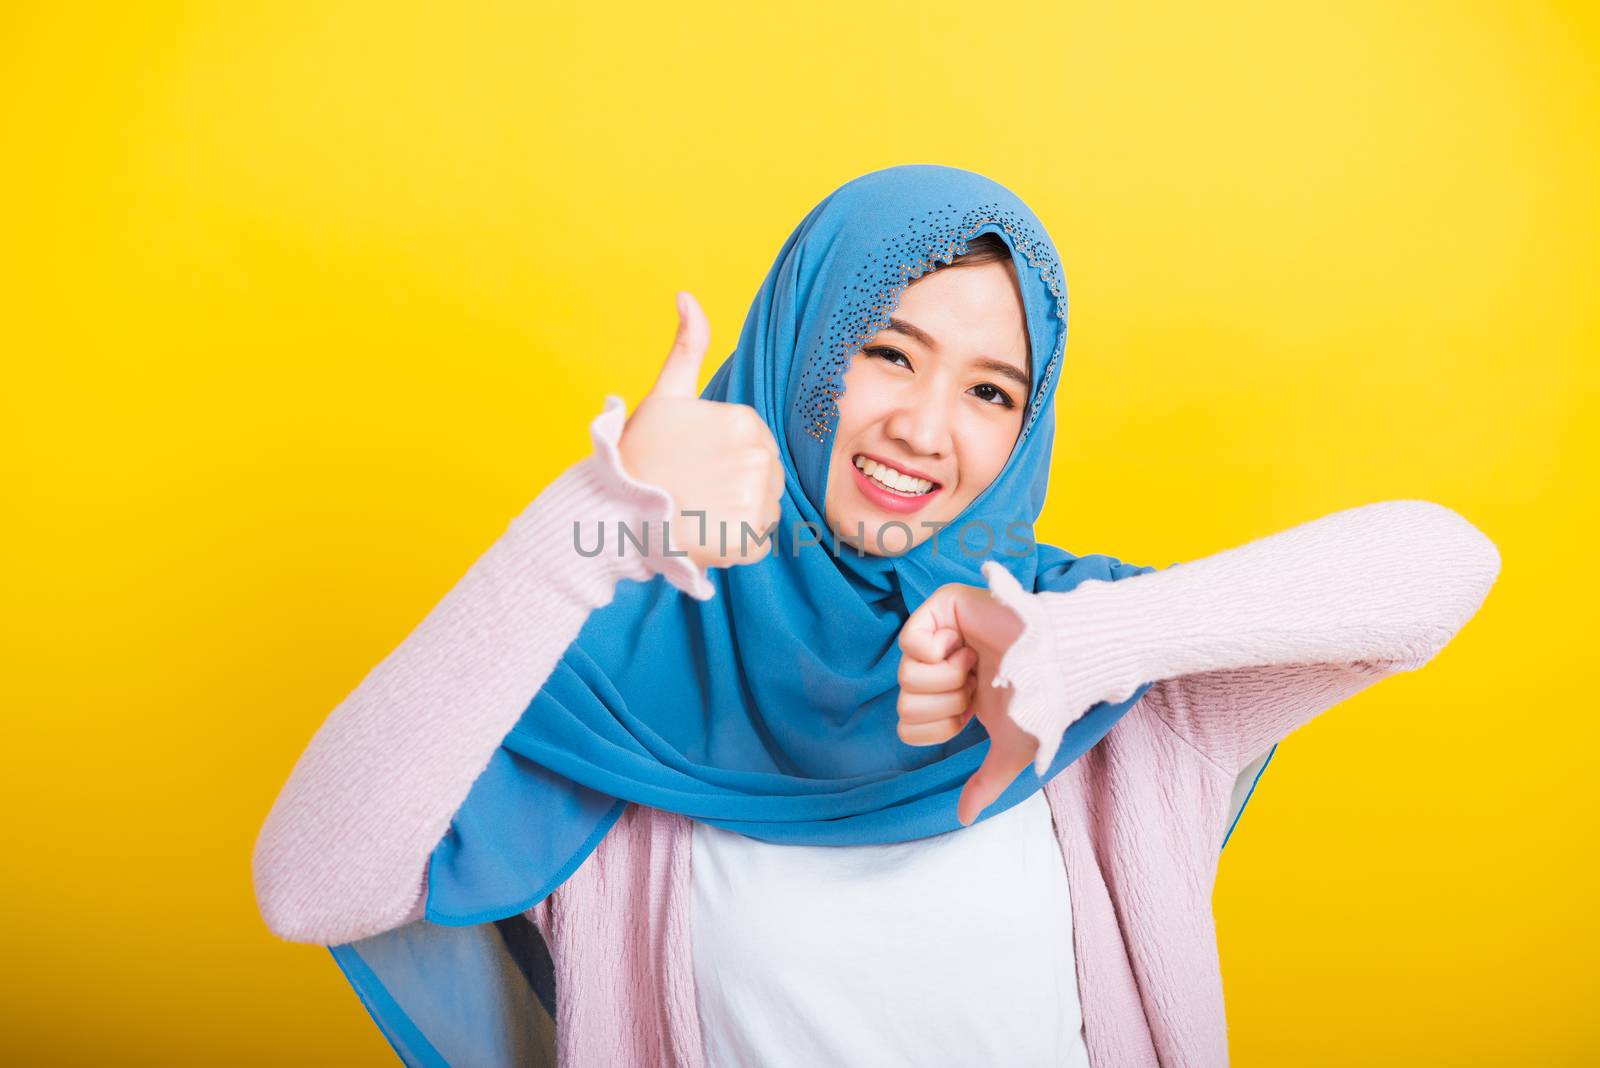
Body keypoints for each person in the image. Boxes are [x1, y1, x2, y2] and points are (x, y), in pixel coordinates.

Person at [252, 164, 1502, 1067]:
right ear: (798, 351)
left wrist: (1077, 650)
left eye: (991, 390)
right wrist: (597, 520)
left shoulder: (1090, 661)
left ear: (1027, 428)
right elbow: (307, 886)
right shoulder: (641, 682)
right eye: (886, 353)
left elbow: (1444, 567)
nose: (923, 428)